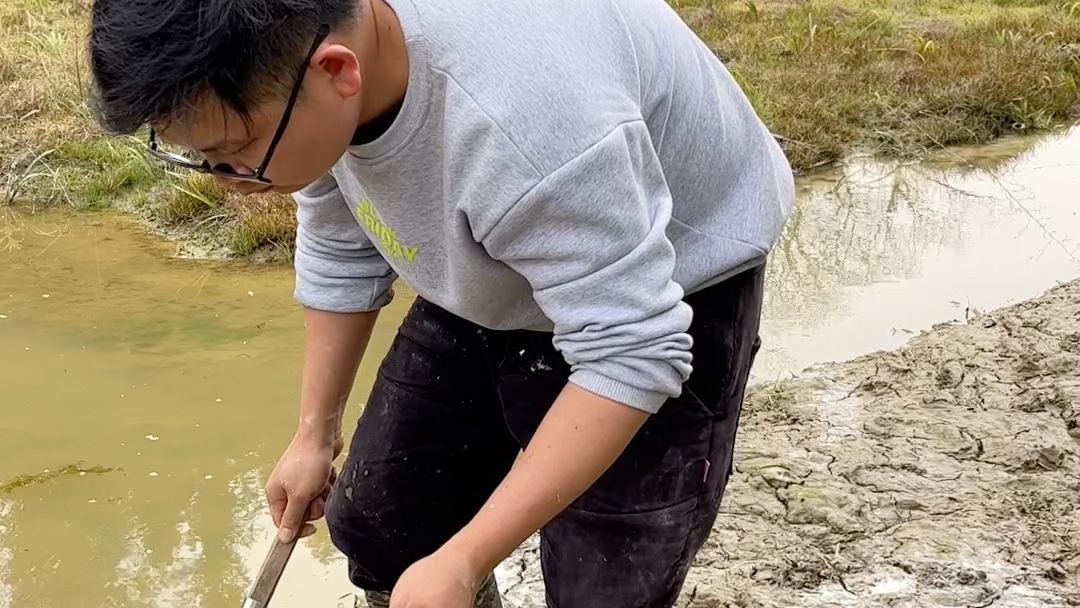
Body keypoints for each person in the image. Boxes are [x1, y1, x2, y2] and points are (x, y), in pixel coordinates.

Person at [88, 0, 794, 606]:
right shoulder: (312, 74)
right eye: (198, 158)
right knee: (382, 523)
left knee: (602, 584)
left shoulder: (526, 126)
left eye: (231, 155)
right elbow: (340, 241)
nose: (225, 182)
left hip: (667, 281)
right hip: (494, 251)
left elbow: (634, 350)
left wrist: (466, 558)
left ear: (337, 72)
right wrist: (313, 433)